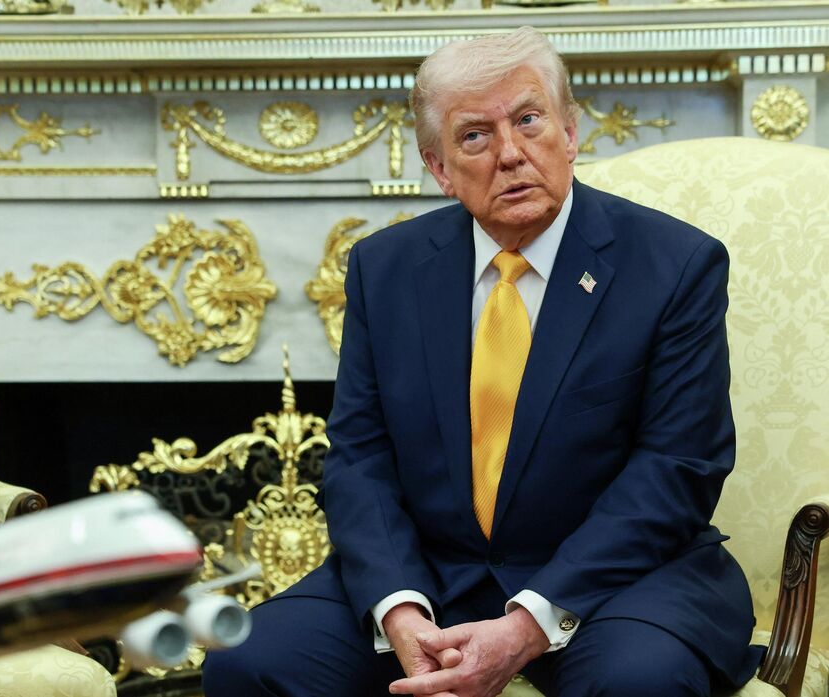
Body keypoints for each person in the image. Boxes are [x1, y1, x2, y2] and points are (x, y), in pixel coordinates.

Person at [203, 27, 761, 697]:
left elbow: (677, 468)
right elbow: (359, 456)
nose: (510, 154)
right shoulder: (385, 270)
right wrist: (398, 607)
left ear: (570, 130)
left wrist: (528, 621)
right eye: (475, 136)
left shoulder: (674, 266)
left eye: (528, 120)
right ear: (439, 167)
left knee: (636, 681)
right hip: (435, 570)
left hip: (621, 580)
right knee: (249, 661)